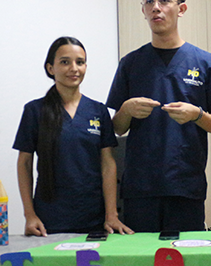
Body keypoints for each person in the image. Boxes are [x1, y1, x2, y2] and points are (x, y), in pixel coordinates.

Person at [106, 0, 211, 233]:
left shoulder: (205, 62)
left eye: (164, 0)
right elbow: (117, 129)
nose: (156, 7)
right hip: (140, 187)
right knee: (141, 264)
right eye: (149, 1)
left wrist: (197, 114)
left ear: (181, 9)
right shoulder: (130, 64)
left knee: (187, 261)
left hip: (185, 184)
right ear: (143, 10)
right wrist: (127, 110)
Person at [13, 36, 133, 236]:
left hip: (93, 218)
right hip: (49, 220)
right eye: (65, 62)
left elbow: (108, 164)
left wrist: (111, 215)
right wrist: (30, 215)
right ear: (51, 68)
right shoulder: (35, 111)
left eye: (80, 62)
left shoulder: (98, 111)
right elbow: (24, 163)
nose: (74, 68)